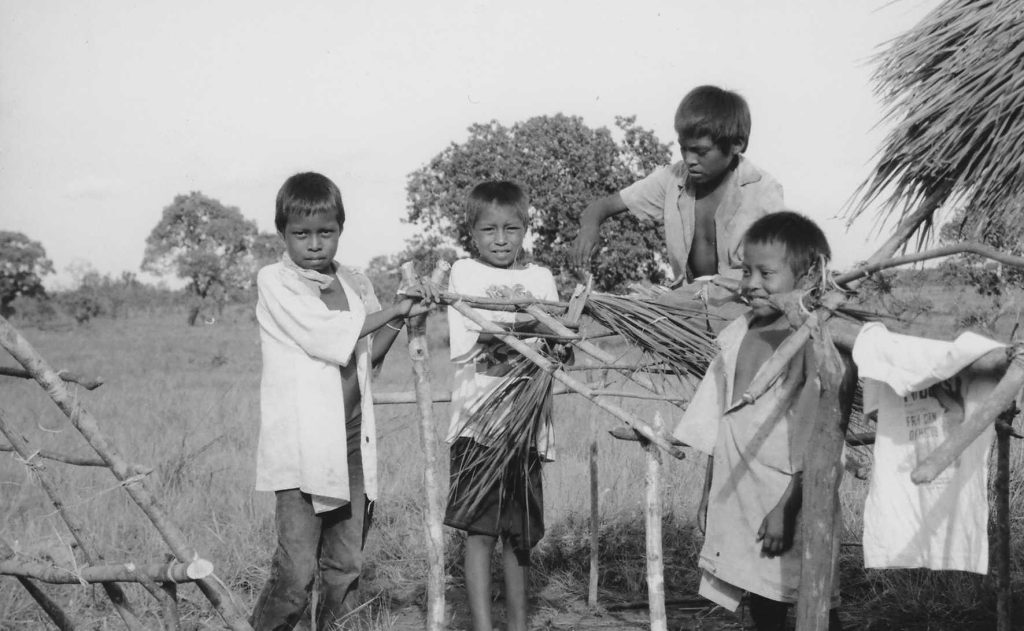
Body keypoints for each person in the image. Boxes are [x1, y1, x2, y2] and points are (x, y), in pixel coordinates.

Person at [251, 172, 435, 631]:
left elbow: (369, 355)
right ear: (282, 233)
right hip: (303, 446)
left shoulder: (354, 282)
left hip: (352, 441)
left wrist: (402, 313)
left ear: (340, 230)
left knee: (345, 564)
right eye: (301, 234)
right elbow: (323, 335)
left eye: (326, 233)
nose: (314, 244)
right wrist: (392, 309)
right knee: (295, 573)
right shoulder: (276, 280)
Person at [673, 211, 851, 631]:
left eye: (766, 273)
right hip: (742, 492)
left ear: (808, 278)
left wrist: (788, 508)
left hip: (793, 494)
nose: (751, 283)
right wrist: (709, 492)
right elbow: (722, 421)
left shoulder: (815, 342)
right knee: (762, 598)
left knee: (815, 596)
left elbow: (823, 439)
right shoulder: (737, 333)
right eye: (746, 270)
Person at [444, 181, 559, 631]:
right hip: (479, 425)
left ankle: (518, 625)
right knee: (480, 532)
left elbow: (554, 339)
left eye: (512, 228)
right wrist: (530, 321)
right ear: (472, 232)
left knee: (520, 535)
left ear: (526, 228)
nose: (501, 238)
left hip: (526, 426)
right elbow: (474, 337)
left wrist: (546, 334)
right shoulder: (464, 275)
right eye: (489, 229)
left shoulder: (541, 278)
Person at [570, 85, 784, 288]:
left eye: (701, 152)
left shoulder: (764, 192)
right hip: (688, 310)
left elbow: (776, 272)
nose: (690, 160)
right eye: (684, 149)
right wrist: (590, 227)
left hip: (741, 309)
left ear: (737, 144)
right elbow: (600, 207)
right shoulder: (673, 179)